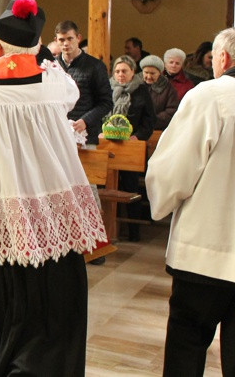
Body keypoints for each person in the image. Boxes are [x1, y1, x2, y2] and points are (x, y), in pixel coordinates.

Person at [0, 0, 106, 376]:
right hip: (54, 228)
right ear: (39, 46)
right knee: (53, 328)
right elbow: (71, 93)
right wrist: (40, 53)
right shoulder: (55, 84)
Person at [146, 27, 235, 377]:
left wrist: (161, 204)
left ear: (223, 58)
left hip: (205, 254)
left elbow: (173, 171)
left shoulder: (211, 97)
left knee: (187, 346)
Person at [107, 54, 156, 241]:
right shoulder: (107, 88)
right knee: (108, 184)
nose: (120, 74)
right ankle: (109, 229)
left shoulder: (141, 91)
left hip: (131, 146)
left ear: (132, 72)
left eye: (124, 71)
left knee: (130, 186)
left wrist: (137, 137)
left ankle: (133, 231)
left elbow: (149, 121)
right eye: (117, 71)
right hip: (109, 144)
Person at [55, 20, 113, 144]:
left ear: (78, 38)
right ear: (56, 41)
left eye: (70, 39)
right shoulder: (51, 66)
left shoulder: (95, 66)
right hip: (58, 133)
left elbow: (106, 102)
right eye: (61, 40)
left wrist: (85, 121)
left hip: (86, 134)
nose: (66, 44)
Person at [139, 55, 179, 130]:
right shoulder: (135, 85)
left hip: (158, 130)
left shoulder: (168, 88)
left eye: (152, 73)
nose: (149, 76)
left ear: (160, 73)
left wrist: (151, 120)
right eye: (146, 72)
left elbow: (171, 111)